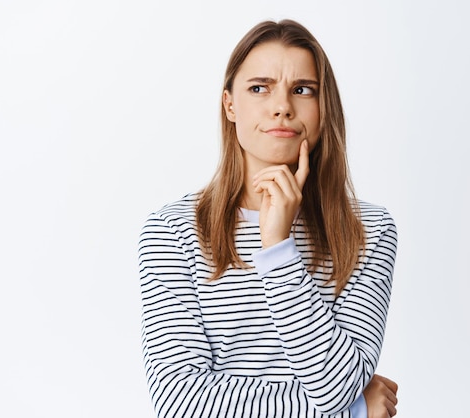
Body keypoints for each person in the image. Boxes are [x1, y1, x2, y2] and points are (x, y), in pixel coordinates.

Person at [138, 19, 398, 418]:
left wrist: (278, 248)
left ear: (323, 107)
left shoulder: (368, 232)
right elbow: (181, 403)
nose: (282, 107)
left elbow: (336, 388)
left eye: (302, 90)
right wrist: (353, 411)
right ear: (230, 105)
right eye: (259, 88)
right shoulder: (172, 232)